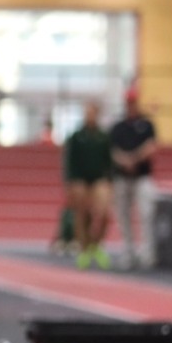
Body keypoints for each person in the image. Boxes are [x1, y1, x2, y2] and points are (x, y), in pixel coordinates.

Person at [108, 91, 158, 270]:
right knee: (123, 215)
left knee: (146, 213)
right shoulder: (118, 127)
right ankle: (128, 250)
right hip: (122, 177)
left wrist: (134, 159)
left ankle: (147, 253)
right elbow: (112, 151)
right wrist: (125, 161)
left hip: (142, 176)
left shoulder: (146, 125)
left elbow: (151, 147)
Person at [64, 102, 114, 270]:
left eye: (92, 113)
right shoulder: (77, 137)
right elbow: (70, 162)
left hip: (98, 177)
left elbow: (109, 161)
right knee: (82, 213)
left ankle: (95, 245)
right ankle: (84, 248)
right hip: (80, 178)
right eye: (87, 113)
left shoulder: (103, 137)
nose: (89, 116)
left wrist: (109, 180)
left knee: (104, 213)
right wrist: (71, 182)